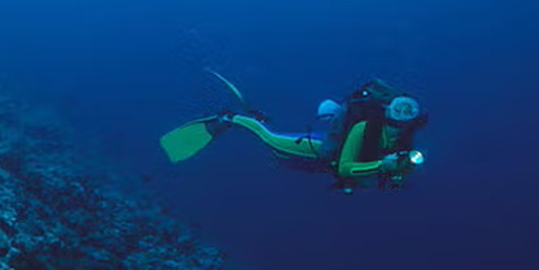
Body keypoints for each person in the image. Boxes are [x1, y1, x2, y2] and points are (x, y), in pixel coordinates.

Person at [161, 72, 427, 193]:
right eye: (399, 108)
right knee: (270, 139)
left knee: (282, 162)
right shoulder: (364, 126)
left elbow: (388, 163)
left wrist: (398, 172)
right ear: (387, 109)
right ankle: (232, 118)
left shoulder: (404, 137)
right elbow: (346, 167)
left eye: (410, 110)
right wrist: (383, 165)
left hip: (328, 158)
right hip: (320, 150)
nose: (404, 114)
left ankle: (324, 115)